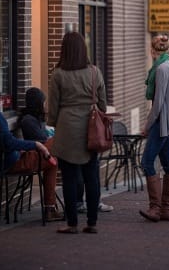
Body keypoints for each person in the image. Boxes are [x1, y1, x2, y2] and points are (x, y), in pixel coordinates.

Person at [0, 81, 61, 222]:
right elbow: (10, 143)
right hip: (12, 162)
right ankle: (50, 208)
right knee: (53, 158)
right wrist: (35, 144)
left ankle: (51, 207)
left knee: (49, 155)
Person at [48, 31, 107, 234]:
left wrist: (54, 124)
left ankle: (71, 223)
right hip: (90, 131)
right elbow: (103, 105)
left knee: (69, 178)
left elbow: (53, 108)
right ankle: (92, 222)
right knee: (92, 177)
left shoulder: (58, 74)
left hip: (66, 130)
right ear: (84, 49)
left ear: (64, 50)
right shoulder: (94, 72)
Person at [139, 34, 169, 222]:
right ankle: (167, 210)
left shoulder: (162, 69)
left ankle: (155, 209)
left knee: (147, 162)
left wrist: (147, 125)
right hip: (167, 123)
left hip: (160, 123)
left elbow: (158, 103)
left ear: (152, 50)